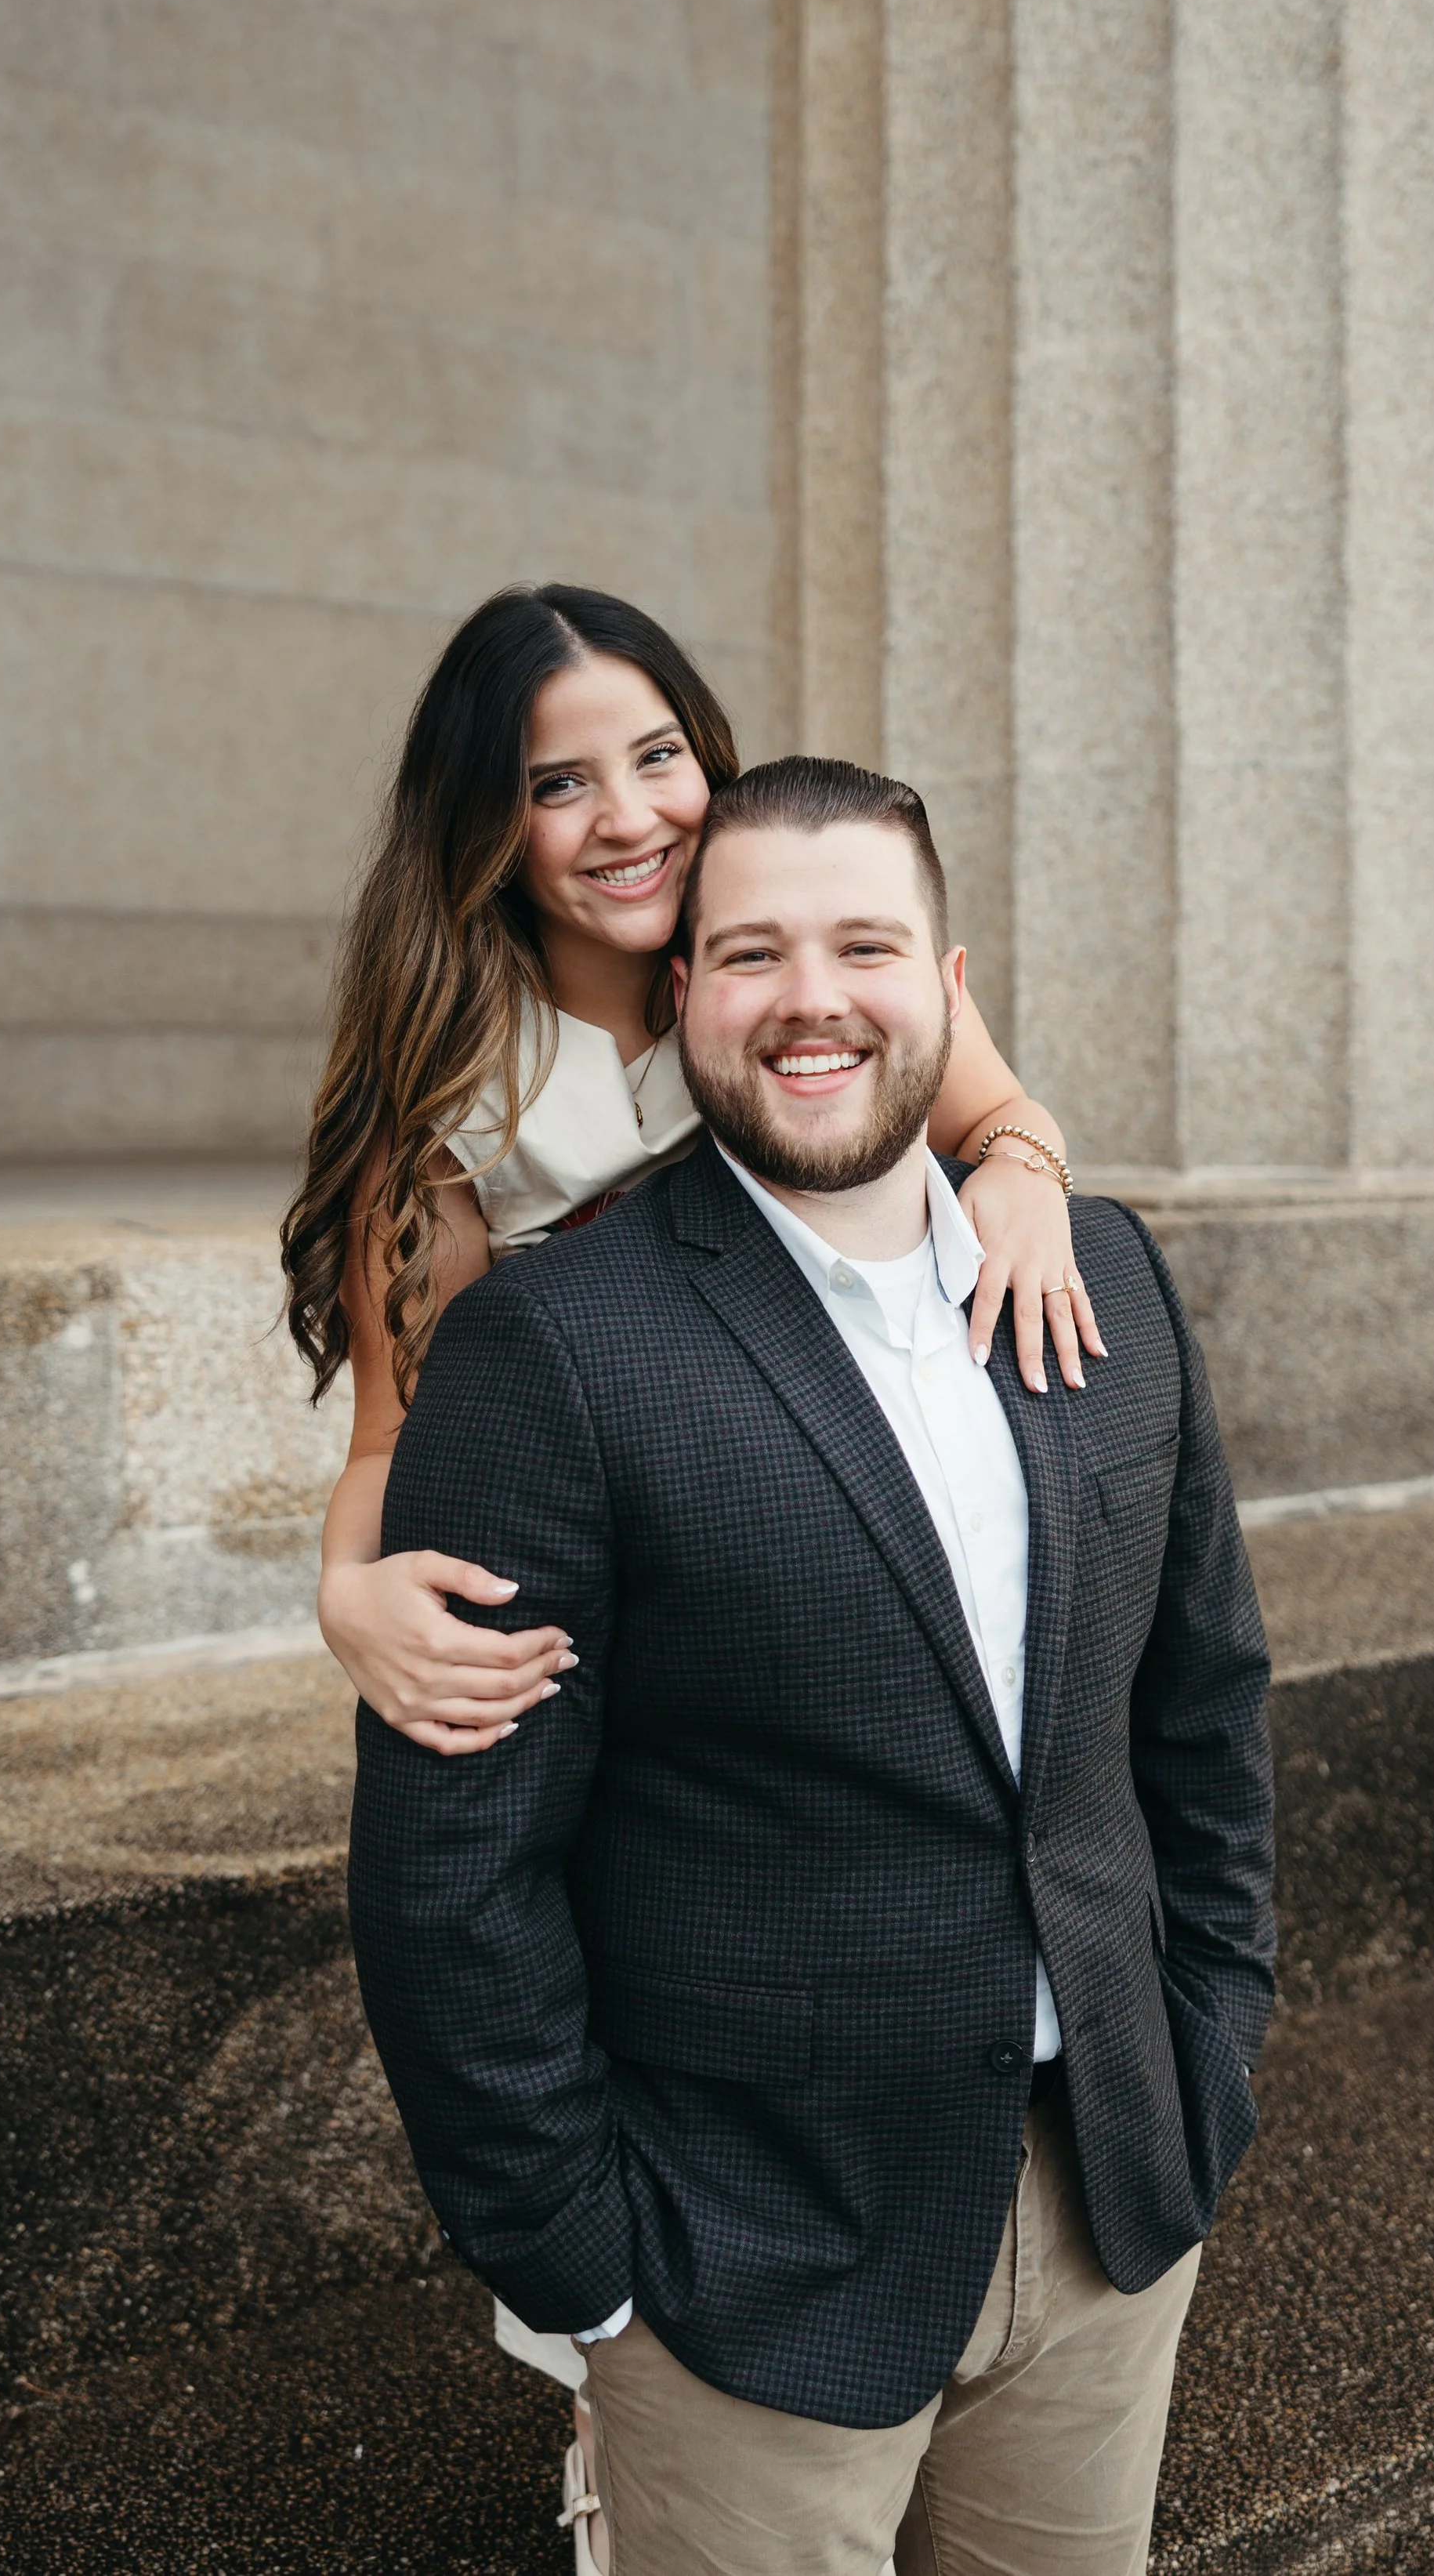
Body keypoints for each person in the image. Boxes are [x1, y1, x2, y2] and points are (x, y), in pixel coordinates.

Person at [349, 755, 1276, 2576]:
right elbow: (456, 1869)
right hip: (734, 2266)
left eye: (864, 944)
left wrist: (1209, 2048)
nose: (811, 999)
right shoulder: (552, 1348)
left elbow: (1200, 1709)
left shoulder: (1101, 1281)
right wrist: (581, 2263)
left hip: (1107, 2207)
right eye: (751, 952)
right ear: (681, 990)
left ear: (948, 980)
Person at [280, 585, 1104, 2559]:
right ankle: (622, 2450)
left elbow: (989, 1107)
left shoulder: (795, 949)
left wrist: (1024, 1183)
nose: (627, 811)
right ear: (485, 829)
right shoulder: (461, 1126)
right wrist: (339, 1590)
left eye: (655, 751)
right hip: (641, 1635)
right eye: (556, 781)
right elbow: (399, 1440)